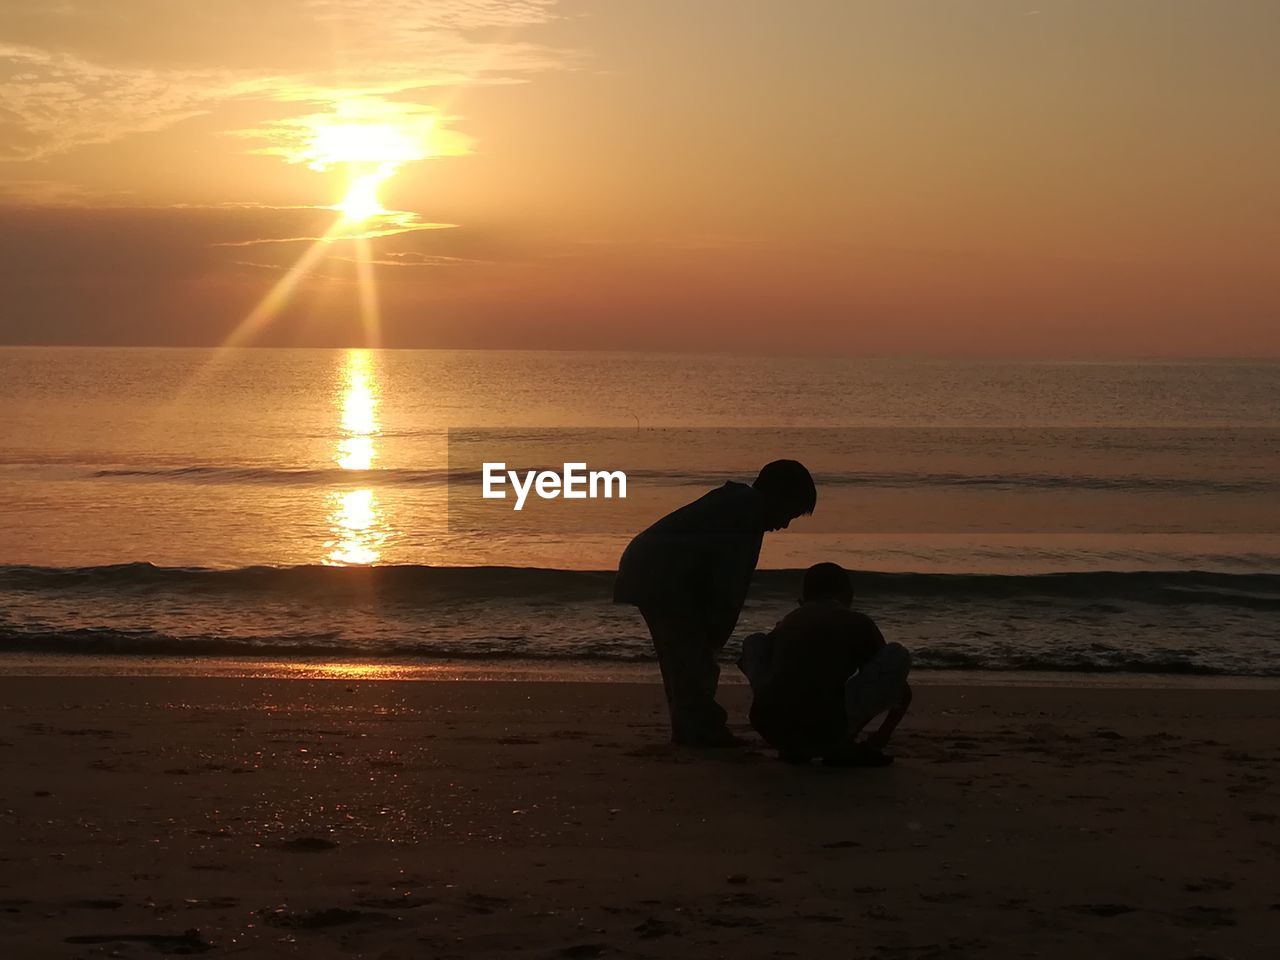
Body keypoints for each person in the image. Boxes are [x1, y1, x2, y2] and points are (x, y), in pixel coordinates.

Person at [614, 460, 817, 747]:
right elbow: (730, 580)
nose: (783, 525)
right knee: (692, 657)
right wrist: (716, 632)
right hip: (660, 575)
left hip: (651, 569)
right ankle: (700, 729)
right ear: (777, 496)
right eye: (789, 514)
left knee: (682, 657)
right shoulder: (747, 513)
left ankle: (690, 727)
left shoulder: (741, 504)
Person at [741, 562, 911, 766]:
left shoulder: (787, 622)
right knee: (896, 654)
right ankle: (843, 744)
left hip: (770, 729)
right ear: (847, 594)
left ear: (802, 599)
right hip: (825, 731)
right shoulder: (856, 621)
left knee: (755, 641)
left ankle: (793, 744)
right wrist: (884, 731)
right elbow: (897, 687)